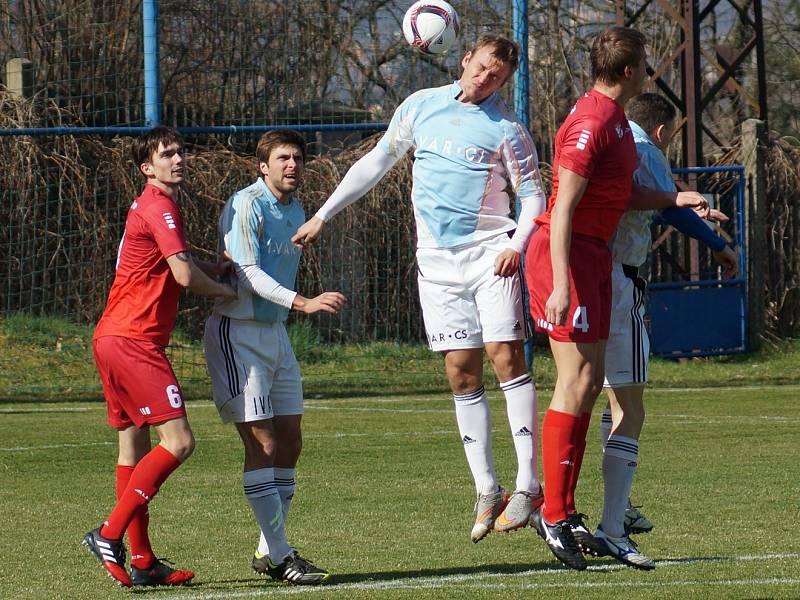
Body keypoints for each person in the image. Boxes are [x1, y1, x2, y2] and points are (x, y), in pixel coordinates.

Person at [292, 34, 548, 543]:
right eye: (480, 69)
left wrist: (516, 246)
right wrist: (323, 214)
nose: (485, 80)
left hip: (489, 256)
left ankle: (528, 483)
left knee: (504, 357)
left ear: (505, 80)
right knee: (460, 370)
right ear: (464, 60)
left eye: (496, 77)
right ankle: (486, 488)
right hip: (435, 263)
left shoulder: (508, 129)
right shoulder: (420, 106)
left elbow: (535, 196)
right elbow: (375, 163)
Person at [524, 27, 710, 571]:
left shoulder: (618, 125)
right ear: (629, 71)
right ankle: (552, 513)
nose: (649, 67)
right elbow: (561, 208)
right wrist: (561, 282)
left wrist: (676, 196)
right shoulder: (591, 122)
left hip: (593, 255)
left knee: (587, 385)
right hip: (569, 255)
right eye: (646, 61)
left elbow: (622, 194)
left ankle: (564, 509)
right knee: (576, 382)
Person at [85, 126, 237, 587]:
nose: (179, 159)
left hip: (110, 338)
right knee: (181, 442)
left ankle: (144, 561)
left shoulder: (152, 207)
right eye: (167, 154)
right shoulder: (159, 204)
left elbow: (173, 268)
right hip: (135, 342)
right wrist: (226, 289)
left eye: (180, 151)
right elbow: (185, 279)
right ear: (146, 168)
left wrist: (212, 268)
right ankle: (109, 535)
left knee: (133, 448)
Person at [594, 92, 738, 568]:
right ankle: (612, 524)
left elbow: (664, 202)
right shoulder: (644, 146)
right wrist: (718, 245)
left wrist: (693, 212)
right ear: (661, 132)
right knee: (630, 406)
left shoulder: (607, 138)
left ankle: (606, 505)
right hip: (621, 280)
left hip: (588, 272)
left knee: (598, 395)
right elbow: (672, 207)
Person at [203, 129, 345, 586]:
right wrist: (304, 302)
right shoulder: (246, 204)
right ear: (262, 166)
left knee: (290, 442)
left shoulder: (297, 210)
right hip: (238, 334)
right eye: (283, 158)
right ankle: (283, 554)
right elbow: (247, 274)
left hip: (275, 335)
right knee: (262, 445)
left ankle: (268, 548)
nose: (292, 165)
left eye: (299, 158)